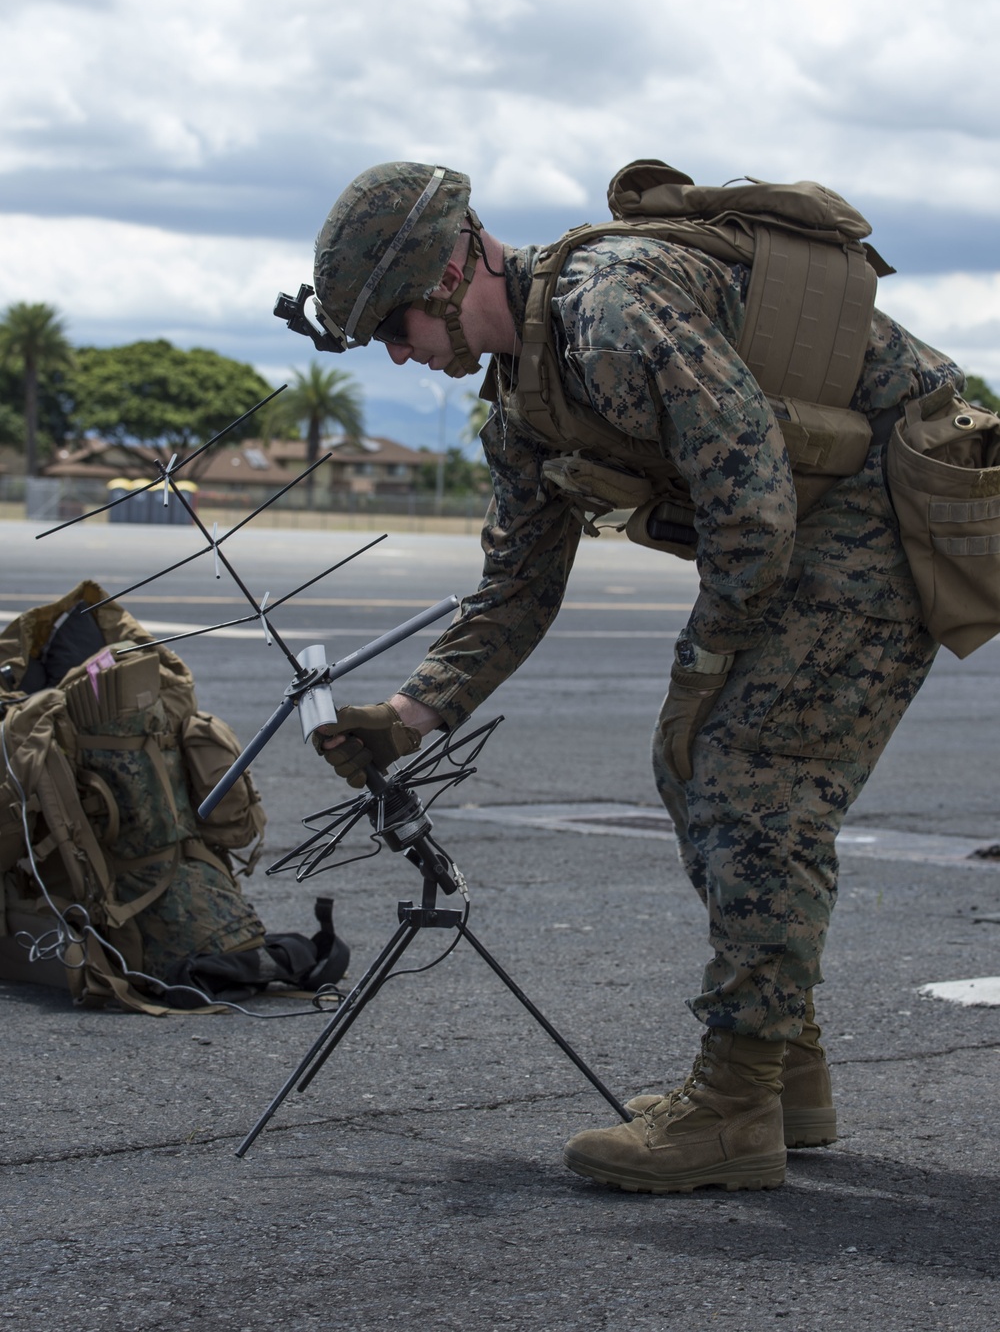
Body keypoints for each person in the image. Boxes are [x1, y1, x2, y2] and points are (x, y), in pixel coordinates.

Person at [305, 160, 962, 1194]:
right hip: (816, 522)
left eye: (394, 325)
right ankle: (781, 1069)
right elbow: (514, 588)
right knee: (701, 768)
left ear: (448, 270)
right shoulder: (525, 406)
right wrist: (406, 716)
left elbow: (750, 504)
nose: (397, 354)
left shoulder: (611, 309)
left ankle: (735, 1109)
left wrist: (704, 667)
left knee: (744, 773)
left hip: (884, 504)